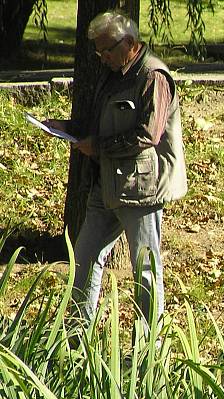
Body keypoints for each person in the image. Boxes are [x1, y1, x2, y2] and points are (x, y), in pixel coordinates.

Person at [46, 11, 187, 338]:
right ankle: (76, 338)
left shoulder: (154, 76)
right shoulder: (111, 73)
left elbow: (146, 135)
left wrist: (99, 147)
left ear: (130, 43)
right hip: (104, 185)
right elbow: (98, 124)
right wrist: (66, 128)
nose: (102, 57)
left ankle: (149, 348)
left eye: (107, 50)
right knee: (84, 257)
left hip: (140, 188)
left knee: (146, 270)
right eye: (98, 51)